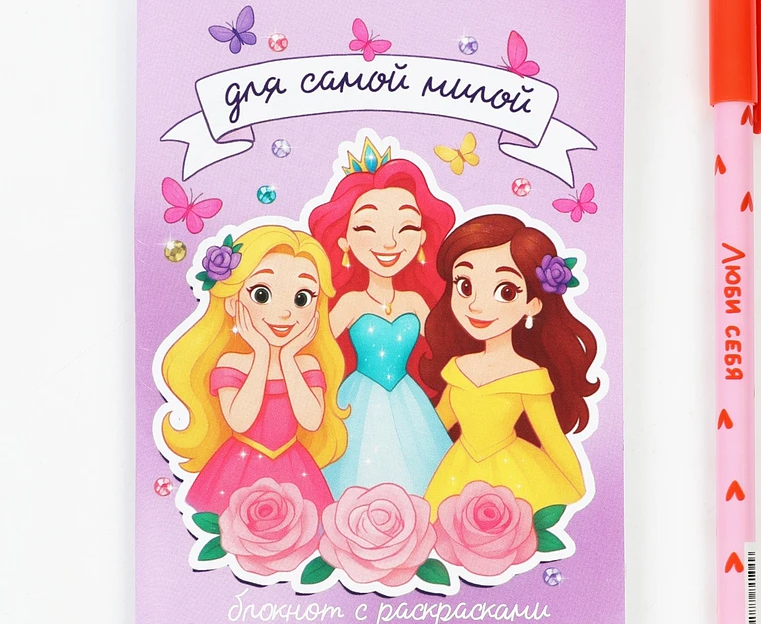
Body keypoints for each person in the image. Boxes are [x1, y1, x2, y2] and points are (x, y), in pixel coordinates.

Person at [161, 225, 347, 515]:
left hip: (295, 468)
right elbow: (240, 420)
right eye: (262, 294)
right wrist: (261, 353)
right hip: (239, 466)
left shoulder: (307, 364)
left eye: (301, 298)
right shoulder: (232, 362)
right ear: (233, 303)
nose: (285, 313)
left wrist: (288, 357)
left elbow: (311, 421)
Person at [421, 213, 599, 515]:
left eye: (505, 291)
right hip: (455, 473)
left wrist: (577, 489)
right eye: (465, 286)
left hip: (512, 475)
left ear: (533, 304)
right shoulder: (459, 367)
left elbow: (552, 439)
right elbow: (435, 428)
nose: (476, 305)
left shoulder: (529, 376)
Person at [307, 138, 456, 496]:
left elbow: (448, 350)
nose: (388, 243)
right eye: (366, 228)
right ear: (344, 241)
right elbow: (316, 349)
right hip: (356, 400)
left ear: (422, 237)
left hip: (409, 400)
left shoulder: (416, 303)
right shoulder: (350, 303)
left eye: (405, 228)